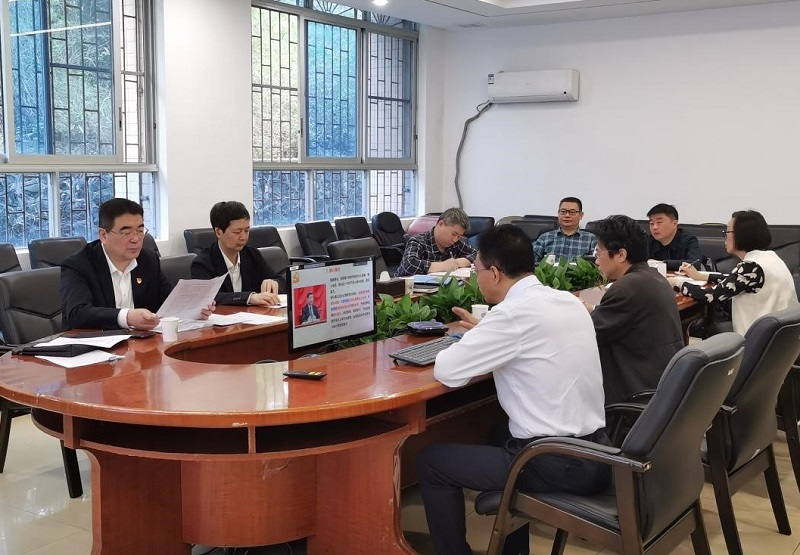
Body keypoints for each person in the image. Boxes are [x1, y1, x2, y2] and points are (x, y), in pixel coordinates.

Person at [417, 224, 610, 555]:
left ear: (494, 273)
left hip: (555, 462)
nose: (477, 279)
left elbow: (448, 371)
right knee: (498, 432)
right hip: (596, 451)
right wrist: (488, 335)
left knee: (431, 461)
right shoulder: (565, 300)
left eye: (477, 271)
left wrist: (474, 338)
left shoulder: (511, 314)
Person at [61, 198, 211, 330]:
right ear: (104, 235)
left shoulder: (148, 259)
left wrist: (194, 308)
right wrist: (127, 317)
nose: (136, 239)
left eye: (140, 231)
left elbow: (167, 300)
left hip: (140, 344)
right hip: (94, 346)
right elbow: (78, 313)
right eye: (126, 233)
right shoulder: (78, 265)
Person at [585, 215, 683, 405]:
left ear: (621, 255)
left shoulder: (626, 288)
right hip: (661, 384)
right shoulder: (653, 276)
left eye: (599, 252)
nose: (596, 261)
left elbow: (589, 336)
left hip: (635, 392)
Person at [675, 210, 798, 336]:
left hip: (757, 340)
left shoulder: (751, 266)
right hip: (780, 339)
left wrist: (677, 283)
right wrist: (700, 275)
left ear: (742, 235)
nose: (724, 236)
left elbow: (710, 296)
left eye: (727, 232)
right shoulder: (769, 258)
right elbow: (734, 280)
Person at [191, 201, 283, 306]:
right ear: (218, 232)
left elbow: (281, 281)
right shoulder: (202, 263)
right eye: (237, 232)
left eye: (246, 231)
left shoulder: (252, 255)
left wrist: (273, 282)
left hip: (254, 314)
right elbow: (206, 296)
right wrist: (249, 297)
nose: (243, 237)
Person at [396, 207, 476, 276]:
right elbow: (408, 265)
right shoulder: (418, 241)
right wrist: (442, 266)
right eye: (453, 234)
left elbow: (477, 255)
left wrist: (457, 263)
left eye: (459, 236)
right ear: (441, 224)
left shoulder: (455, 244)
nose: (455, 239)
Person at [533, 196, 596, 264]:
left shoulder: (591, 239)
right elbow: (532, 262)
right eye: (563, 211)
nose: (567, 215)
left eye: (572, 212)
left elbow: (596, 264)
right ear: (558, 213)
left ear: (581, 215)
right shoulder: (545, 237)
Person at [646, 203, 702, 271]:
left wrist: (663, 264)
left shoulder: (689, 240)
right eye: (651, 223)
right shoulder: (648, 241)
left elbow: (694, 264)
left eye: (659, 222)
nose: (654, 227)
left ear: (674, 223)